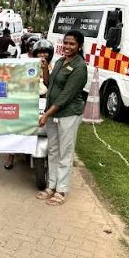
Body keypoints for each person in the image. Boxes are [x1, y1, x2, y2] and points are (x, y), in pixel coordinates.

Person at [36, 30, 88, 206]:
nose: (67, 46)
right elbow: (48, 84)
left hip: (68, 114)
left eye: (72, 44)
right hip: (53, 112)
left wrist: (46, 115)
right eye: (65, 43)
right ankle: (51, 186)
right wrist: (44, 68)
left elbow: (66, 96)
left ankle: (61, 190)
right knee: (52, 150)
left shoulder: (80, 67)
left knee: (65, 153)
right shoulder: (59, 61)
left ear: (79, 46)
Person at [5, 38, 53, 170]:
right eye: (40, 53)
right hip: (27, 98)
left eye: (46, 53)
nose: (43, 55)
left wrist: (44, 69)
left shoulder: (53, 66)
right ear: (35, 53)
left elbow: (49, 84)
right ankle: (11, 155)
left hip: (45, 98)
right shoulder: (27, 64)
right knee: (16, 124)